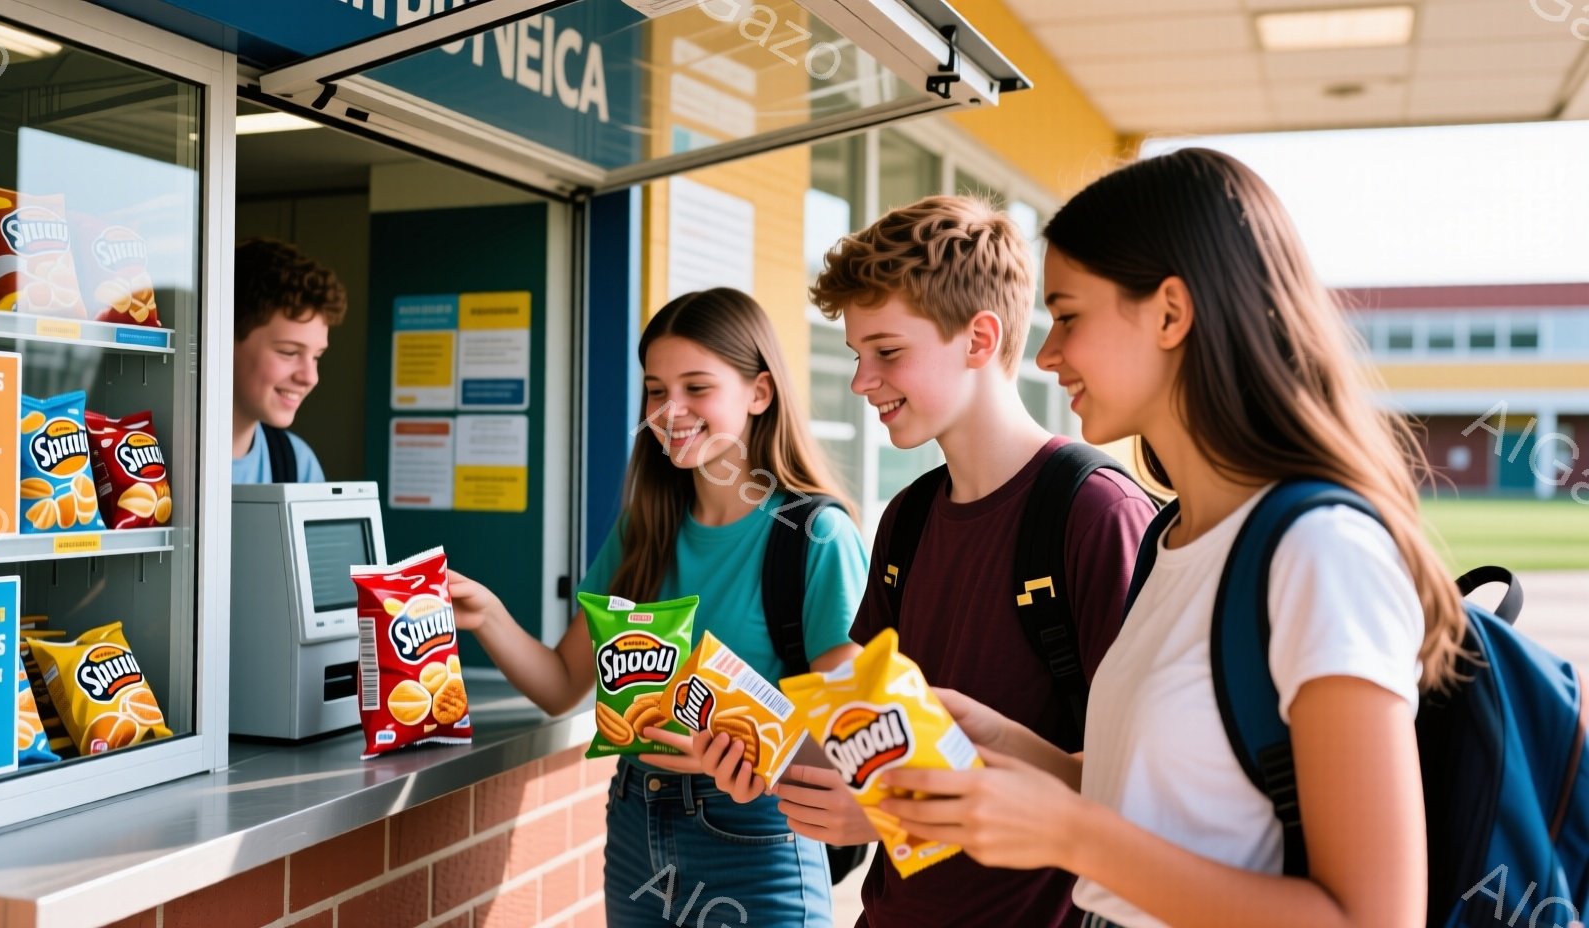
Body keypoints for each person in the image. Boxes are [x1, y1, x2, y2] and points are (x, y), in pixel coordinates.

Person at [876, 148, 1465, 928]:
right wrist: (1015, 749)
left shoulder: (1320, 552)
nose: (1047, 355)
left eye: (1070, 315)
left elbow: (1372, 918)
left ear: (1170, 313)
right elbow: (1177, 806)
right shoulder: (1173, 540)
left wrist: (1071, 835)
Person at [673, 196, 1157, 927]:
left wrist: (895, 812)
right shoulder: (907, 518)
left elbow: (1137, 793)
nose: (862, 381)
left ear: (979, 338)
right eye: (856, 355)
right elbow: (856, 727)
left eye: (888, 352)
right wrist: (761, 758)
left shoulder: (1097, 516)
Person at [445, 288, 869, 927]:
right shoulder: (644, 529)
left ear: (759, 393)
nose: (670, 411)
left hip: (757, 838)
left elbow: (851, 739)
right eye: (654, 389)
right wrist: (491, 618)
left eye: (697, 388)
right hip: (636, 827)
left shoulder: (816, 538)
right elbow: (563, 686)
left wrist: (755, 756)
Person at [231, 237, 345, 483]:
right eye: (289, 352)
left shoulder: (297, 464)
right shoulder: (148, 465)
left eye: (316, 357)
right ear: (222, 341)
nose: (310, 377)